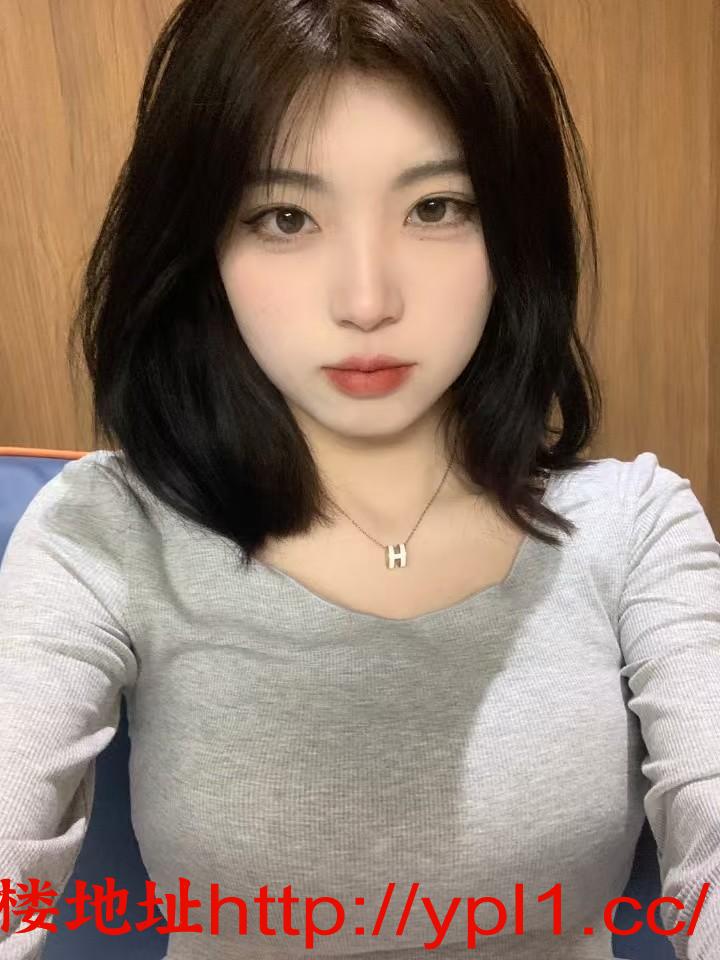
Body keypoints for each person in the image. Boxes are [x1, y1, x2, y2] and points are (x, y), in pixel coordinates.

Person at [1, 0, 718, 958]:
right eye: (285, 217)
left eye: (437, 207)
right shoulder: (103, 532)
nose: (367, 301)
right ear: (204, 245)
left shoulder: (636, 527)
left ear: (514, 226)